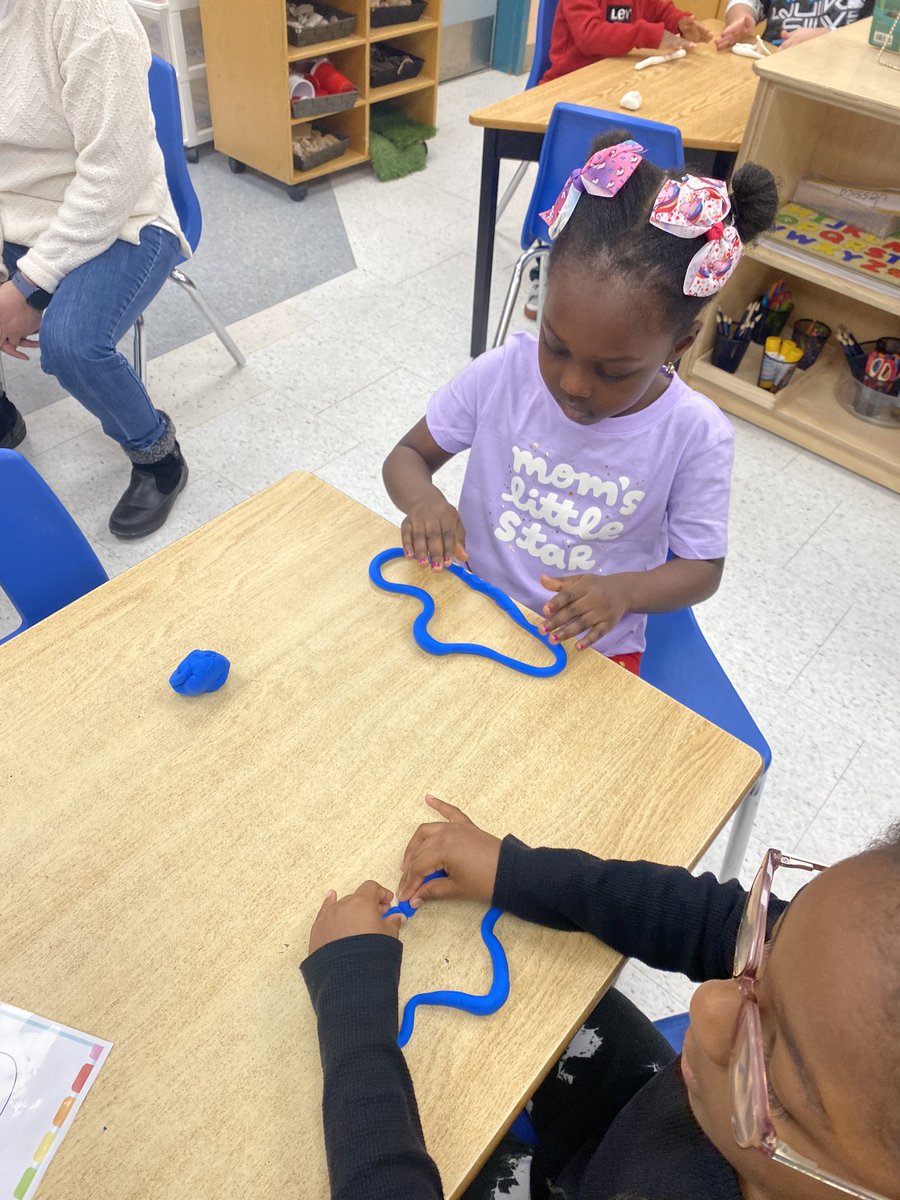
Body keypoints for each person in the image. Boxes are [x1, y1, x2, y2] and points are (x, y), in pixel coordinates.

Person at [301, 795, 900, 1200]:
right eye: (764, 953)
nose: (707, 1006)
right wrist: (515, 869)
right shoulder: (849, 993)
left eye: (777, 1083)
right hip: (636, 1128)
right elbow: (709, 918)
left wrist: (352, 1007)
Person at [383, 137, 778, 676]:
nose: (572, 384)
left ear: (679, 346)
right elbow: (407, 455)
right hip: (472, 605)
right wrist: (424, 503)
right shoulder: (503, 373)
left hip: (591, 645)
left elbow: (702, 569)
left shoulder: (694, 434)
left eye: (614, 372)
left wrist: (623, 592)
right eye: (555, 344)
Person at [0, 0, 192, 538]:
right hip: (22, 218)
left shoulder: (89, 15)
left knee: (73, 343)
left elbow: (113, 178)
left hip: (122, 218)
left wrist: (28, 283)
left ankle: (158, 456)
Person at [540, 0, 713, 84]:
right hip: (570, 82)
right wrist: (650, 35)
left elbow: (660, 9)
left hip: (617, 78)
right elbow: (589, 36)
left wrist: (678, 22)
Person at [715, 0, 873, 50]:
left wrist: (828, 36)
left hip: (831, 81)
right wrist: (740, 17)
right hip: (768, 62)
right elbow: (746, 2)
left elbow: (878, 40)